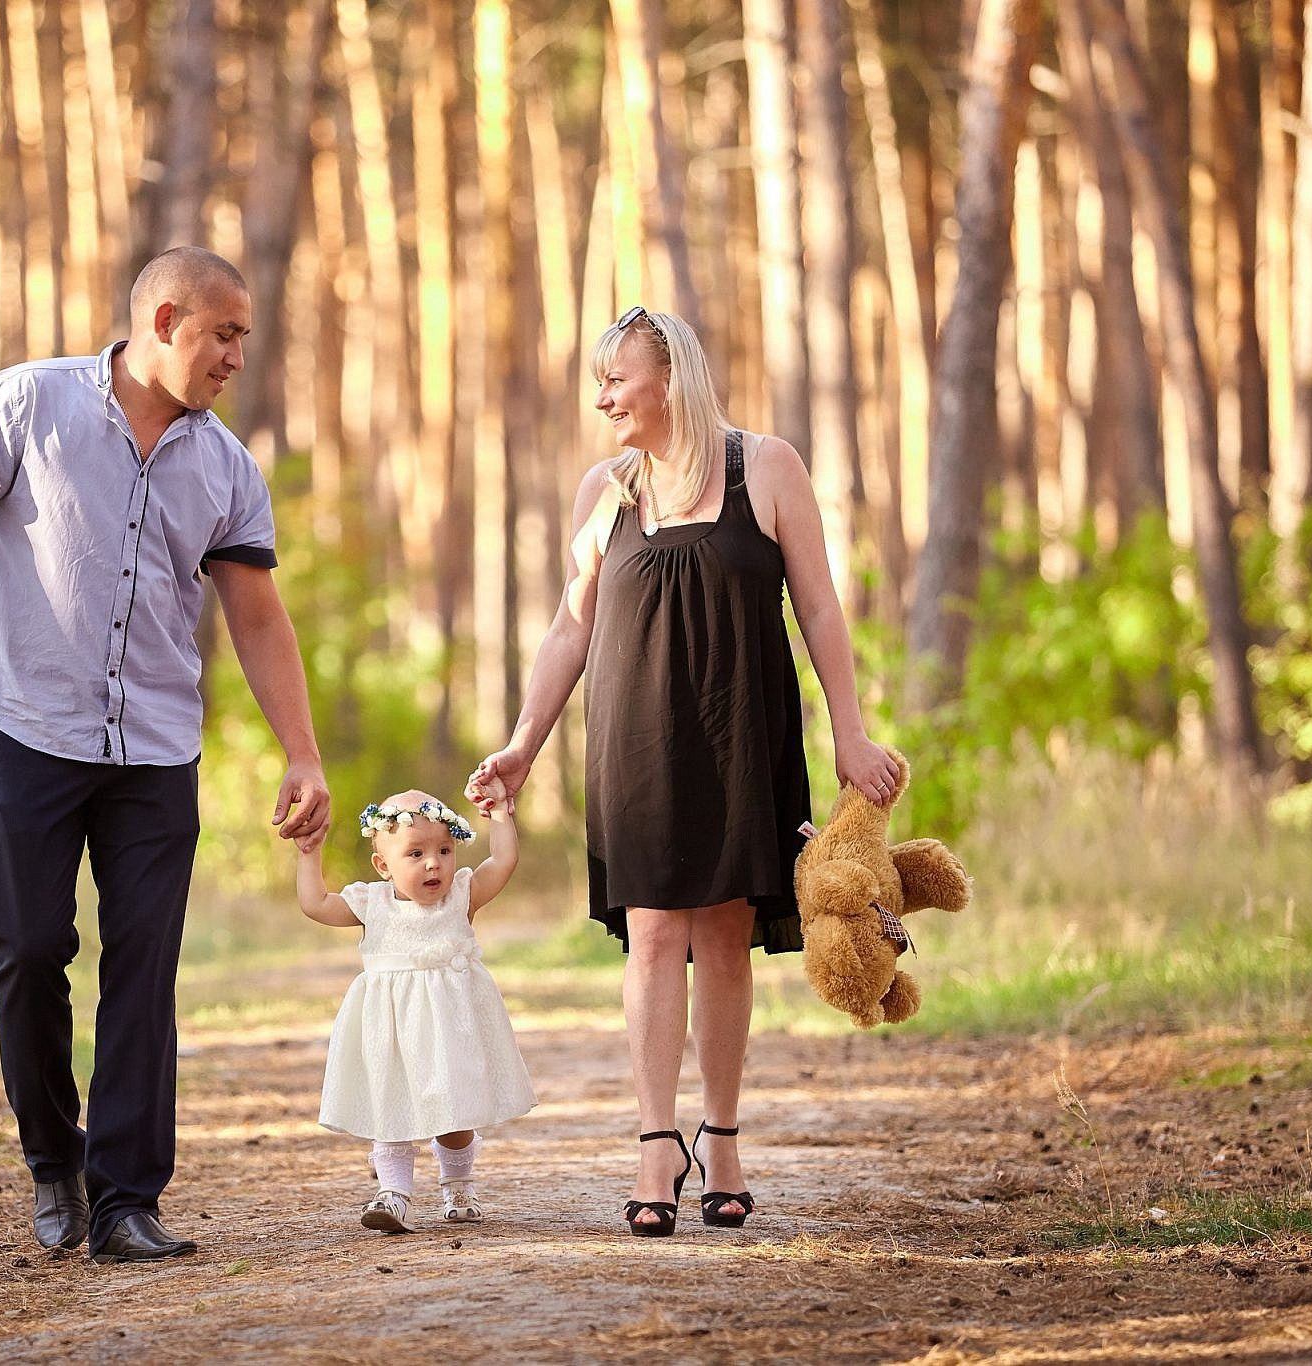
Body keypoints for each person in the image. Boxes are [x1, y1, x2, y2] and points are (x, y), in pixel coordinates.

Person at [0, 247, 331, 1264]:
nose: (235, 358)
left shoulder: (224, 465)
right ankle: (52, 1158)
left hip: (156, 751)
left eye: (243, 338)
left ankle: (125, 1195)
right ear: (165, 320)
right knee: (29, 947)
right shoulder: (28, 402)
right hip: (27, 726)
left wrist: (300, 752)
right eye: (224, 334)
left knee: (144, 968)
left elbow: (256, 618)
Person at [467, 306, 899, 1238]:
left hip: (745, 729)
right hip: (637, 742)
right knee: (657, 932)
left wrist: (851, 738)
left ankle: (727, 1140)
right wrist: (522, 742)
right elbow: (570, 628)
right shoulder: (606, 491)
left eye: (615, 378)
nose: (602, 397)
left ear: (672, 377)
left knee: (726, 936)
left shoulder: (767, 467)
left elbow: (821, 611)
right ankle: (655, 1146)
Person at [295, 786, 534, 1233]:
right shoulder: (372, 904)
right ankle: (393, 1194)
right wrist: (310, 853)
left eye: (445, 849)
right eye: (416, 853)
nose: (434, 863)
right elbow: (316, 904)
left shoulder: (462, 895)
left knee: (455, 1113)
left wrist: (499, 814)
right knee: (390, 1109)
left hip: (451, 1029)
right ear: (383, 865)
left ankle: (459, 1182)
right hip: (391, 1031)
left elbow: (502, 862)